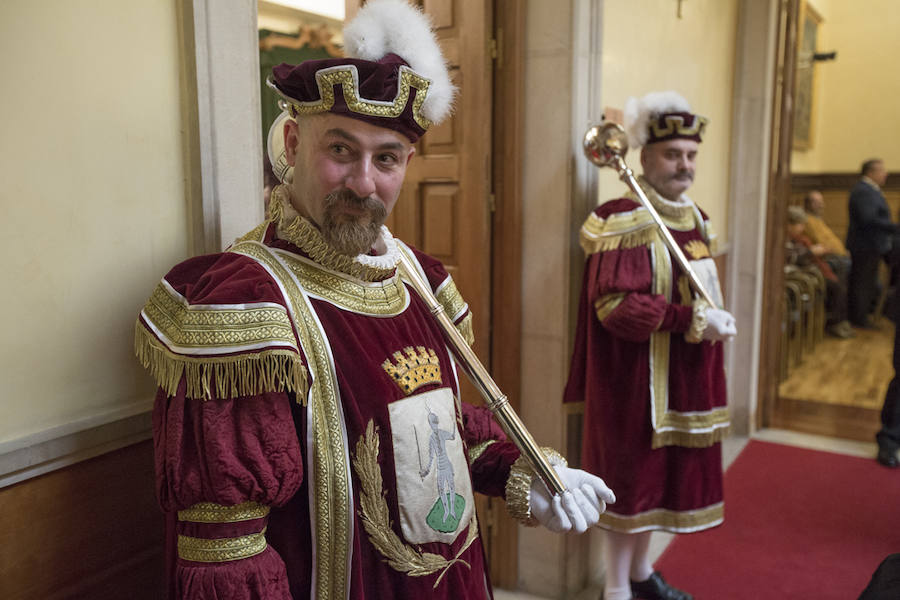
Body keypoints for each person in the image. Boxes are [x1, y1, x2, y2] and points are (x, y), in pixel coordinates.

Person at [134, 2, 614, 598]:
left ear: (407, 164)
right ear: (292, 140)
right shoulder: (247, 306)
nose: (364, 183)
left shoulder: (417, 277)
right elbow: (226, 557)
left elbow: (444, 430)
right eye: (341, 150)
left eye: (386, 158)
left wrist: (528, 476)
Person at [563, 91, 736, 600]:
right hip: (637, 385)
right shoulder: (624, 219)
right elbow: (616, 308)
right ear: (645, 158)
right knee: (631, 487)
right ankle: (615, 589)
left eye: (690, 155)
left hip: (688, 379)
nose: (684, 165)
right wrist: (693, 319)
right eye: (672, 154)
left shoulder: (696, 218)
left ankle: (641, 575)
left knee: (662, 486)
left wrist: (706, 323)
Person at [786, 206, 853, 338]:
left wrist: (815, 251)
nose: (802, 228)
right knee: (835, 286)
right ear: (790, 225)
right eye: (800, 225)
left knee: (838, 273)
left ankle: (838, 320)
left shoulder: (799, 237)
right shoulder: (784, 238)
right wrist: (811, 251)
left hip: (806, 270)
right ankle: (834, 323)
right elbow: (791, 258)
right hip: (796, 274)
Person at [846, 159, 898, 328]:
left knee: (867, 281)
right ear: (870, 172)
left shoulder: (870, 190)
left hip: (871, 244)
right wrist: (895, 228)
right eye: (882, 170)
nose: (885, 174)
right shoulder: (864, 191)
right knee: (862, 282)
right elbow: (868, 219)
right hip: (865, 245)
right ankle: (859, 319)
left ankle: (863, 316)